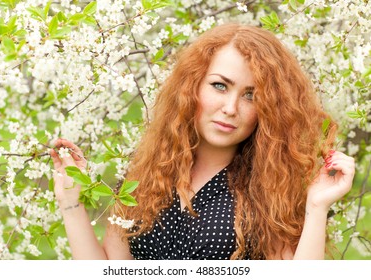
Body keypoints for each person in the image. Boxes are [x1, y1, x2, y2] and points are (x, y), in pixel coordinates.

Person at [49, 23, 355, 260]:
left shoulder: (269, 189)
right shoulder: (144, 177)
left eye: (251, 96)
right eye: (220, 86)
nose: (231, 108)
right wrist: (71, 202)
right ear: (192, 85)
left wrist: (317, 207)